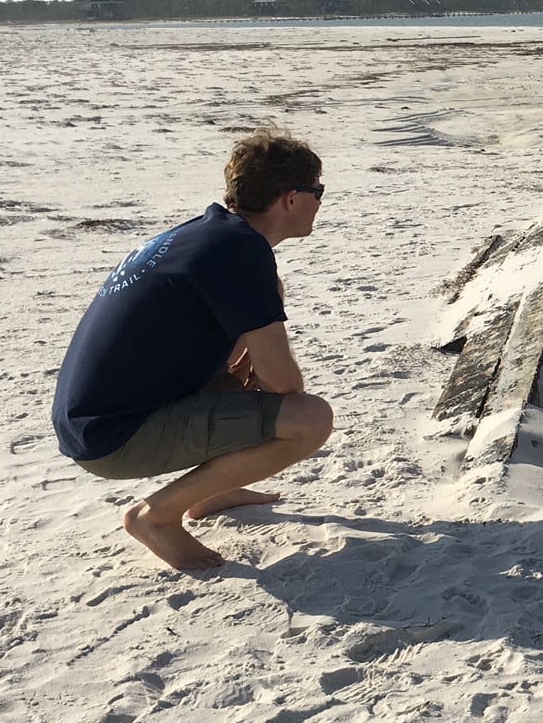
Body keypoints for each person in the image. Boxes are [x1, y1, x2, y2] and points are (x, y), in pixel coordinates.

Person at [52, 129, 334, 571]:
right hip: (112, 437)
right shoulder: (240, 252)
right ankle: (155, 518)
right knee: (309, 420)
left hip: (94, 417)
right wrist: (262, 381)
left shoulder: (209, 234)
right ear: (291, 198)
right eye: (318, 191)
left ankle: (215, 490)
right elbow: (284, 384)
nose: (321, 202)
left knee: (267, 306)